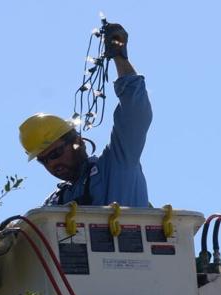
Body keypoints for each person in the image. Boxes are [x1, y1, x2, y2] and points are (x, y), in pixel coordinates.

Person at [18, 23, 151, 208]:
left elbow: (135, 113)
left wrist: (119, 58)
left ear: (77, 141)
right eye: (44, 160)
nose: (53, 164)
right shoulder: (57, 201)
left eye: (56, 153)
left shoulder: (116, 165)